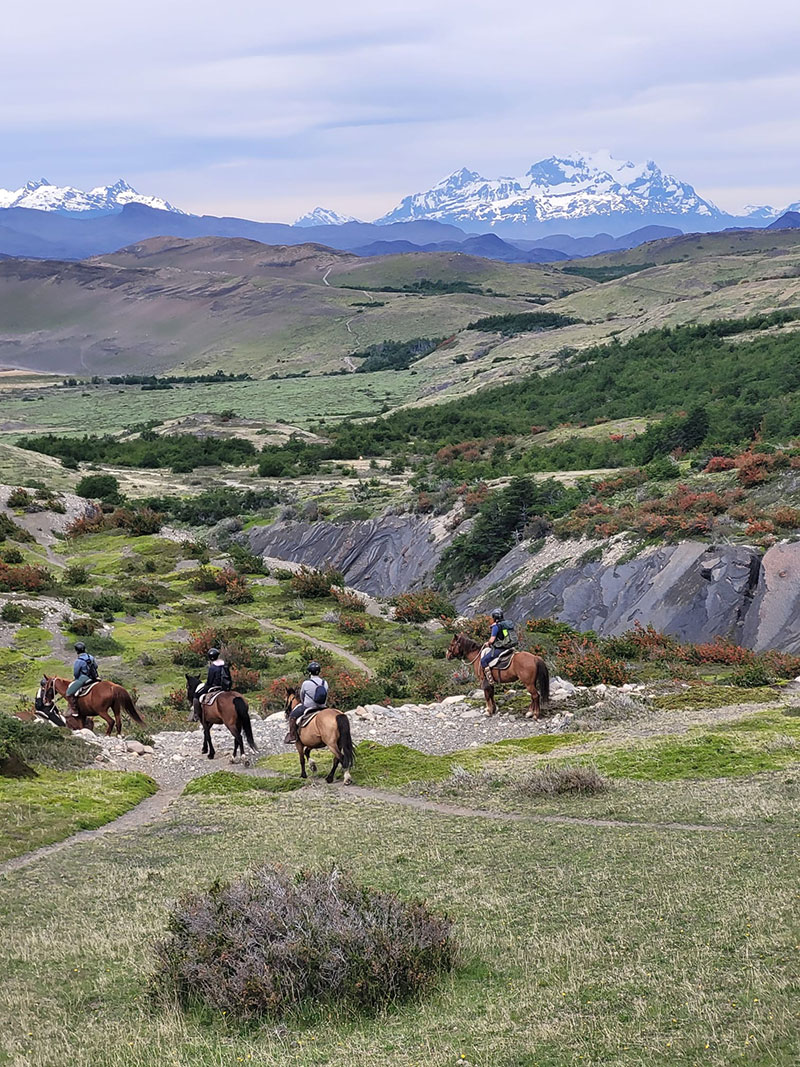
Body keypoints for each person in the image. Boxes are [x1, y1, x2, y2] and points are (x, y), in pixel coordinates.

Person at [284, 661, 328, 744]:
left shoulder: (306, 683)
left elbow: (302, 696)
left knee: (292, 716)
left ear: (309, 672)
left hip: (309, 707)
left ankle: (292, 736)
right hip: (323, 706)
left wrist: (305, 703)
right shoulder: (324, 683)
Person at [190, 647, 232, 722]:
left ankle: (196, 715)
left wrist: (206, 685)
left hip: (214, 686)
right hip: (225, 687)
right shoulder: (225, 665)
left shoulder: (212, 667)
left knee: (196, 695)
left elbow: (209, 681)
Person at [66, 641, 100, 716]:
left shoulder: (79, 661)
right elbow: (96, 666)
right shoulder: (90, 657)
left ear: (77, 650)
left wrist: (77, 679)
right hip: (94, 676)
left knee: (68, 693)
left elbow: (76, 673)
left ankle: (74, 710)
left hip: (84, 678)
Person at [480, 608, 516, 676]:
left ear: (494, 617)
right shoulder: (504, 625)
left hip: (500, 648)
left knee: (483, 661)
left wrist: (487, 643)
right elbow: (505, 636)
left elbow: (492, 640)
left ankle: (489, 680)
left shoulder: (496, 627)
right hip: (508, 646)